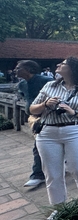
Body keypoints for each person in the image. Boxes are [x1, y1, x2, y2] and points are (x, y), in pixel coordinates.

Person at [29, 57, 78, 220]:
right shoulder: (50, 86)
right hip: (48, 132)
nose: (59, 65)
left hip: (76, 129)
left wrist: (73, 111)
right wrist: (45, 103)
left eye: (63, 64)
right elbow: (32, 108)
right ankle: (59, 209)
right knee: (52, 173)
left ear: (73, 69)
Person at [14, 60, 50, 188]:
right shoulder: (22, 84)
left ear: (29, 69)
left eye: (19, 68)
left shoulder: (45, 81)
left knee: (38, 146)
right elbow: (24, 97)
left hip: (47, 118)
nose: (15, 70)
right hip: (33, 118)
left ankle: (37, 174)